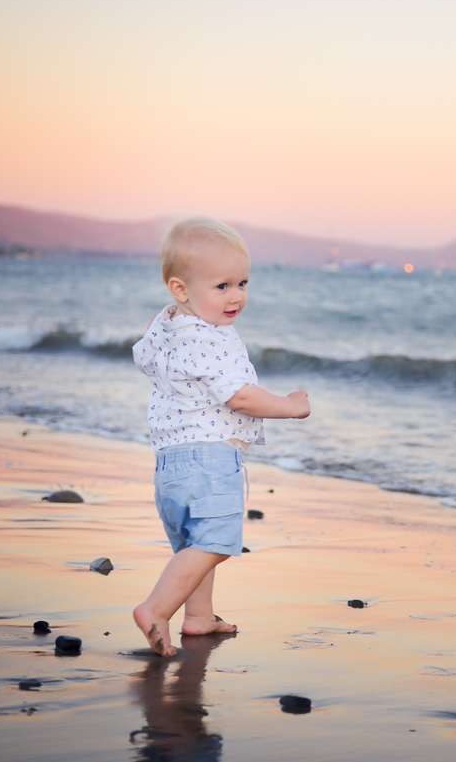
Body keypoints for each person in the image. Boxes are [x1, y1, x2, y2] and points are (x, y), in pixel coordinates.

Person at [131, 216, 310, 657]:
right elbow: (241, 398)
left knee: (195, 544)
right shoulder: (211, 339)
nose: (237, 297)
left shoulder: (170, 326)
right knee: (215, 542)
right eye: (222, 286)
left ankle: (198, 617)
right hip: (209, 460)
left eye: (242, 283)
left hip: (171, 461)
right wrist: (290, 405)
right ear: (180, 289)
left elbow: (144, 357)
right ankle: (156, 608)